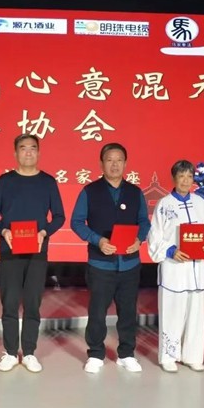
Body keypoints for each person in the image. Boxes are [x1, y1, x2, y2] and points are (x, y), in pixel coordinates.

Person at [0, 134, 65, 373]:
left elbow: (59, 216)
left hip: (37, 251)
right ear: (15, 153)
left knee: (32, 302)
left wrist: (44, 232)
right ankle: (10, 352)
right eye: (23, 148)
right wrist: (4, 231)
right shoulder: (5, 181)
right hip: (10, 250)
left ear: (38, 152)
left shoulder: (48, 182)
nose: (28, 152)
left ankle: (29, 352)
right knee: (9, 302)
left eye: (32, 148)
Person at [71, 143, 150, 375]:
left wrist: (139, 239)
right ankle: (96, 354)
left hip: (130, 264)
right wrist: (98, 240)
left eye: (119, 160)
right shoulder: (89, 191)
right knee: (97, 312)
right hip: (100, 264)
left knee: (128, 312)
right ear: (101, 163)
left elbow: (144, 222)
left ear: (125, 164)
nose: (114, 165)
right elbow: (76, 222)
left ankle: (126, 354)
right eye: (109, 160)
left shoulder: (135, 192)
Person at [147, 160, 204, 373]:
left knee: (195, 314)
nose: (185, 181)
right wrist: (170, 250)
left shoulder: (200, 203)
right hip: (174, 268)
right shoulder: (164, 204)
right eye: (181, 176)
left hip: (196, 269)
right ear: (174, 178)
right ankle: (169, 355)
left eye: (189, 176)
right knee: (172, 312)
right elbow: (154, 236)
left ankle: (192, 356)